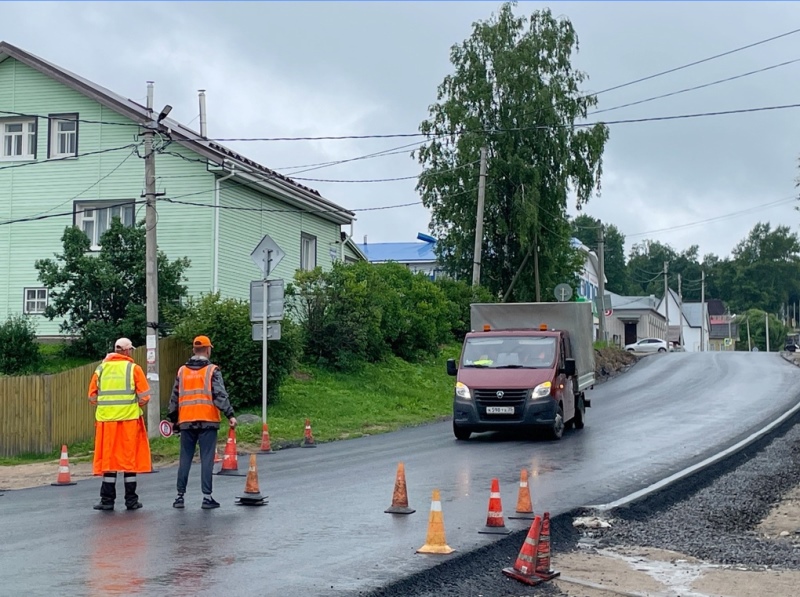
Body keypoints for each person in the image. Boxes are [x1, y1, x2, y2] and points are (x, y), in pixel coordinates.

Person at [167, 335, 237, 510]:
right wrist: (230, 414)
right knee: (207, 459)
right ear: (208, 350)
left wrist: (174, 420)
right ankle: (207, 498)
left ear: (193, 350)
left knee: (185, 459)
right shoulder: (212, 370)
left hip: (186, 421)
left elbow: (174, 397)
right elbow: (219, 394)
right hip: (207, 421)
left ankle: (179, 497)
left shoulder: (182, 371)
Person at [88, 337, 152, 511]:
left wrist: (105, 406)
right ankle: (131, 500)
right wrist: (133, 405)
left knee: (109, 460)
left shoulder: (101, 369)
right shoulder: (133, 369)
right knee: (129, 460)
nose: (131, 352)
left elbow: (92, 396)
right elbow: (145, 396)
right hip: (129, 421)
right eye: (130, 349)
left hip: (106, 422)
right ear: (126, 351)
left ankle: (107, 500)